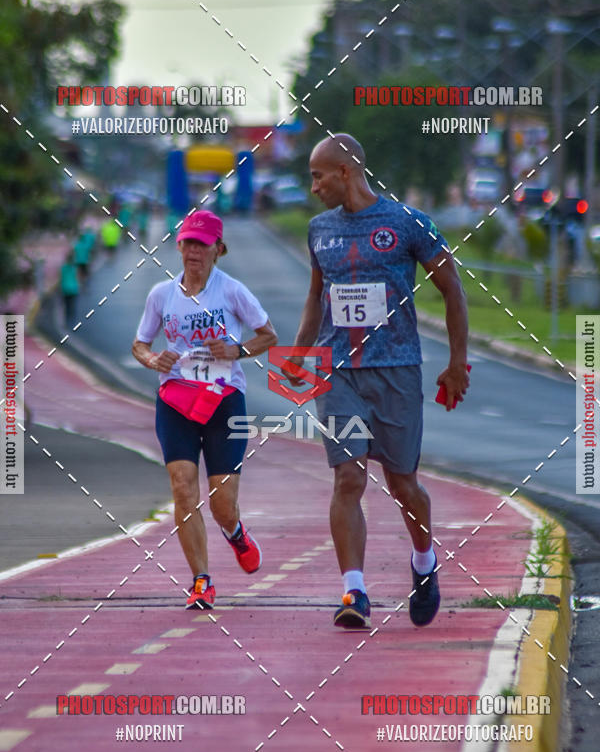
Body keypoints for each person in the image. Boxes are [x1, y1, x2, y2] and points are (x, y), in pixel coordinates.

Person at [286, 134, 469, 630]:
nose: (314, 187)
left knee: (403, 483)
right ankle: (354, 591)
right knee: (348, 476)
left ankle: (425, 562)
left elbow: (452, 288)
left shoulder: (405, 223)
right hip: (340, 371)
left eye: (318, 176)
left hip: (397, 368)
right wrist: (301, 353)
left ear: (346, 172)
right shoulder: (319, 229)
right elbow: (315, 296)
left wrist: (457, 362)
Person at [132, 209, 277, 609]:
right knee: (182, 488)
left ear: (218, 249)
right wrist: (151, 360)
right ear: (178, 246)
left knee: (221, 503)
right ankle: (201, 581)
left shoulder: (232, 292)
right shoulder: (161, 295)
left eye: (202, 244)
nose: (194, 251)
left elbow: (269, 335)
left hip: (224, 401)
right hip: (176, 399)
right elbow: (140, 343)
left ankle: (236, 534)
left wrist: (237, 350)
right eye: (187, 243)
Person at [60, 251, 79, 327]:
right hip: (73, 289)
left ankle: (66, 322)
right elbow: (76, 278)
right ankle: (73, 322)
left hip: (65, 289)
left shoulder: (63, 268)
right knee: (72, 306)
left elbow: (61, 278)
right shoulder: (74, 268)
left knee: (66, 306)